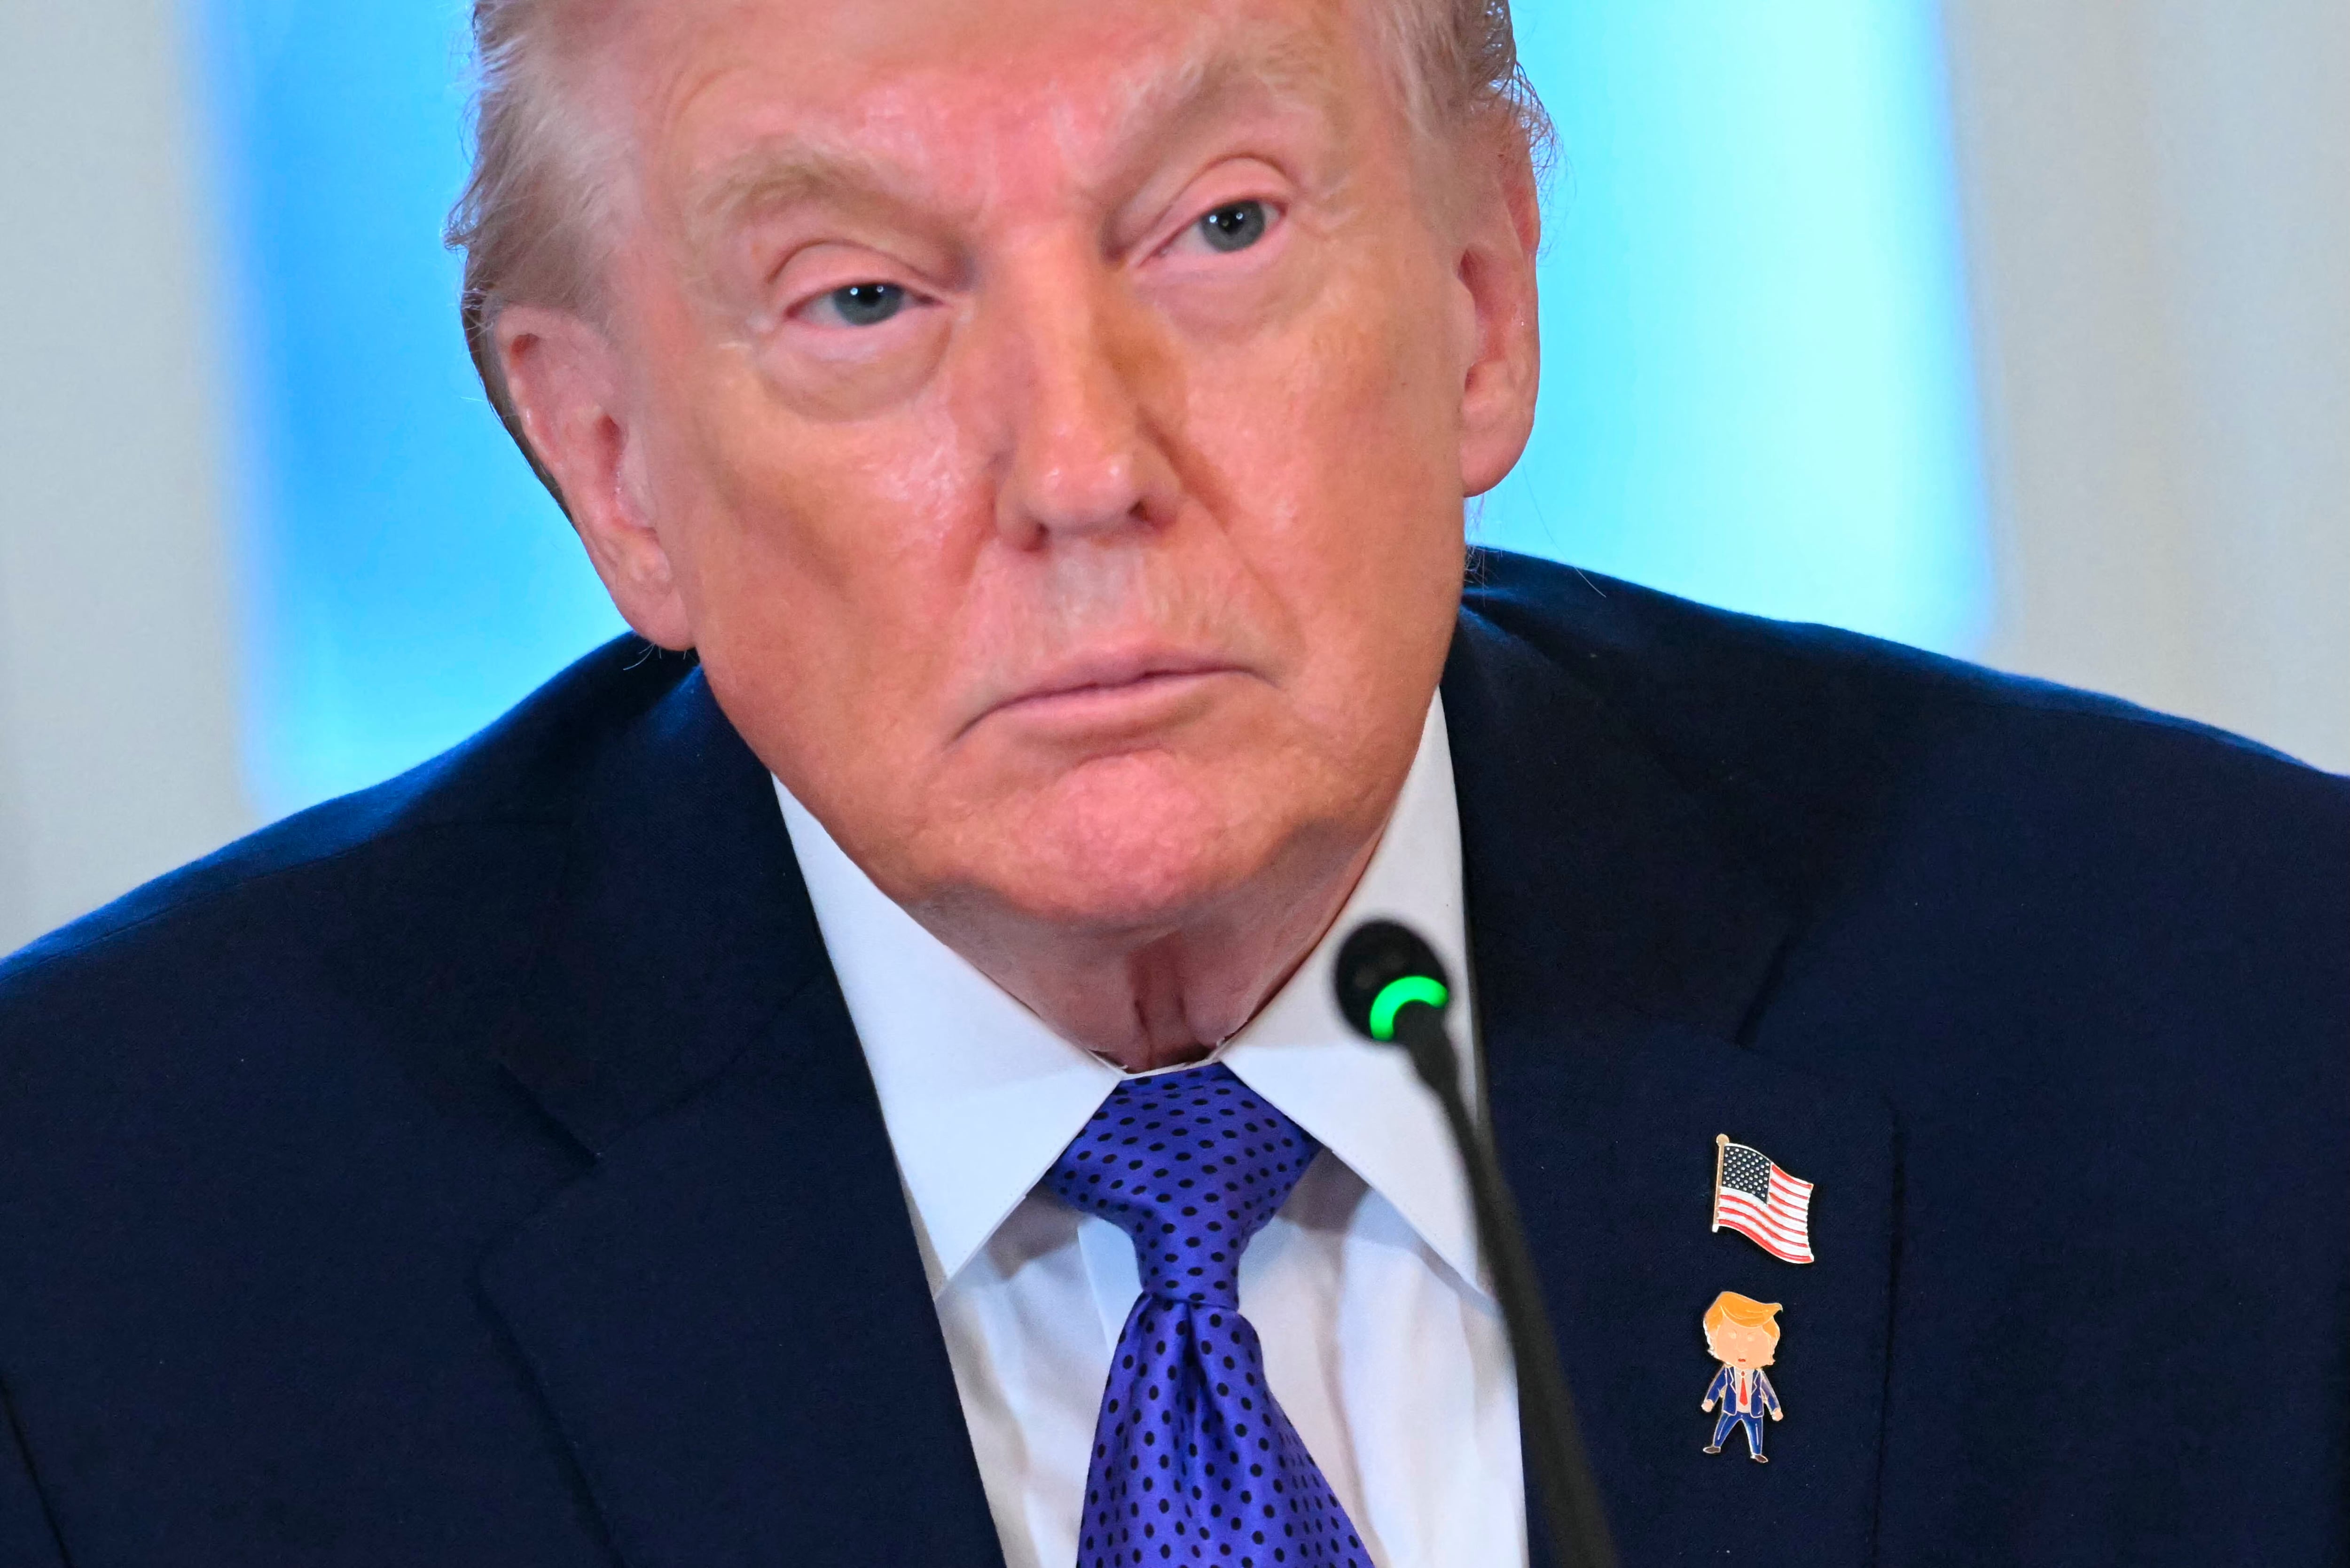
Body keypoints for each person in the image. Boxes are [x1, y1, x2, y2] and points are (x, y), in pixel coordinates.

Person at [0, 0, 2342, 1563]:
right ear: (610, 463)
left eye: (1215, 229)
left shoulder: (2240, 1025)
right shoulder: (106, 1275)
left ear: (1477, 298)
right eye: (861, 302)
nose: (1082, 462)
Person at [1698, 1293, 1785, 1463]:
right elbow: (1717, 1386)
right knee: (1723, 1425)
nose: (1742, 1348)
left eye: (1752, 1338)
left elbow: (1768, 1392)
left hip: (1754, 1411)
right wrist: (1710, 1401)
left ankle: (1757, 1452)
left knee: (1756, 1430)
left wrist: (1775, 1409)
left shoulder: (1759, 1375)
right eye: (1732, 1336)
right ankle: (1716, 1444)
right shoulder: (1727, 1372)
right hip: (1731, 1408)